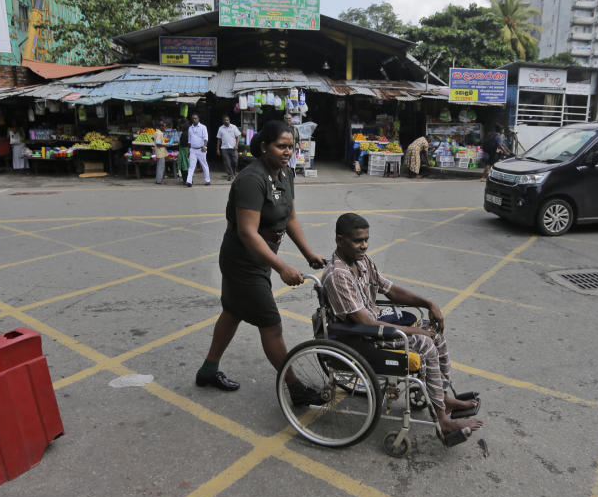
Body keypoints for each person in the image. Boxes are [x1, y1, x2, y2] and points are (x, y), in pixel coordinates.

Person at [195, 120, 327, 404]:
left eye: (291, 146)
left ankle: (208, 369)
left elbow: (289, 218)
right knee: (271, 325)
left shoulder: (285, 174)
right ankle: (296, 388)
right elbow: (246, 232)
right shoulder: (251, 179)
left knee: (232, 311)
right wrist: (282, 267)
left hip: (262, 256)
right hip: (242, 260)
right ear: (264, 145)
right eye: (281, 146)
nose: (287, 152)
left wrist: (308, 254)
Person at [321, 213, 483, 436]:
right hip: (362, 337)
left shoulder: (363, 261)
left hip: (375, 326)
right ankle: (443, 420)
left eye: (367, 239)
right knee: (426, 341)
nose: (364, 246)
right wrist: (418, 332)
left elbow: (392, 290)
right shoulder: (338, 275)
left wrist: (428, 303)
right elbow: (366, 323)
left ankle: (442, 398)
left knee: (435, 332)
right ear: (340, 240)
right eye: (358, 241)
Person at [185, 113, 210, 187]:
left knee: (204, 165)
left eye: (196, 118)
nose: (194, 120)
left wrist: (205, 146)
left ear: (198, 119)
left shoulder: (203, 127)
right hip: (193, 149)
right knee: (191, 166)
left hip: (201, 149)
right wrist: (189, 150)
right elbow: (189, 141)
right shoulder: (190, 128)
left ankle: (207, 180)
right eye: (193, 118)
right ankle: (189, 181)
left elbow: (206, 138)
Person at [216, 114, 242, 181]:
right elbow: (219, 139)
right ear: (223, 121)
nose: (226, 121)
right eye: (225, 120)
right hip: (224, 148)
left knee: (235, 161)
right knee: (227, 163)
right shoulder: (221, 128)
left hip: (233, 148)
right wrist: (218, 149)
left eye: (227, 120)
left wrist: (236, 144)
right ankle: (230, 175)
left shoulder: (233, 127)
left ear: (229, 120)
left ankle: (233, 172)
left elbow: (238, 136)